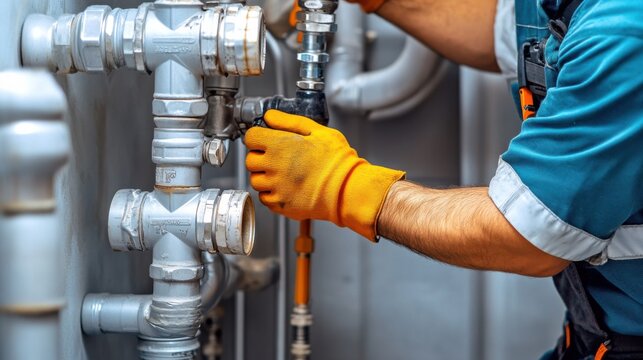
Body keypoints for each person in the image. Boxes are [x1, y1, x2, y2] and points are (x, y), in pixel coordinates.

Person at [244, 0, 643, 358]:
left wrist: (345, 187)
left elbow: (526, 236)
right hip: (597, 337)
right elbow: (505, 28)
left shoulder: (623, 28)